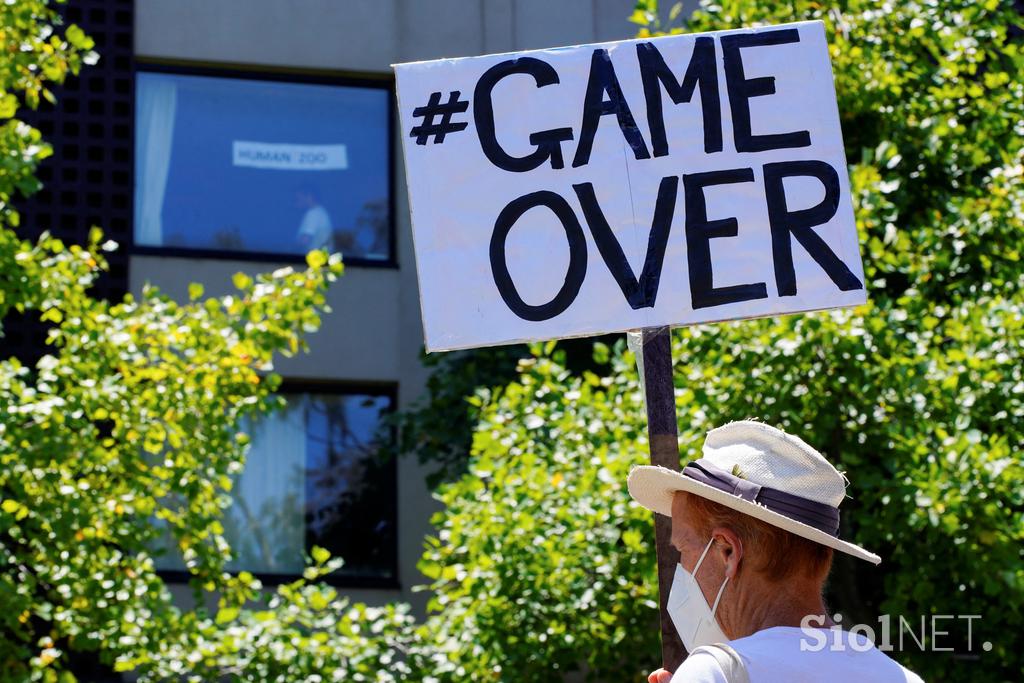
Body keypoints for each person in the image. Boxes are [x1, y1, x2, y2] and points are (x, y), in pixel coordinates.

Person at [627, 420, 924, 682]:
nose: (683, 569)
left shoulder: (717, 672)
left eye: (684, 549)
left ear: (728, 551)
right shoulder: (902, 678)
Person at [295, 185, 333, 252]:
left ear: (309, 197)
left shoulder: (313, 213)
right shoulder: (320, 211)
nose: (296, 202)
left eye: (298, 199)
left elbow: (305, 241)